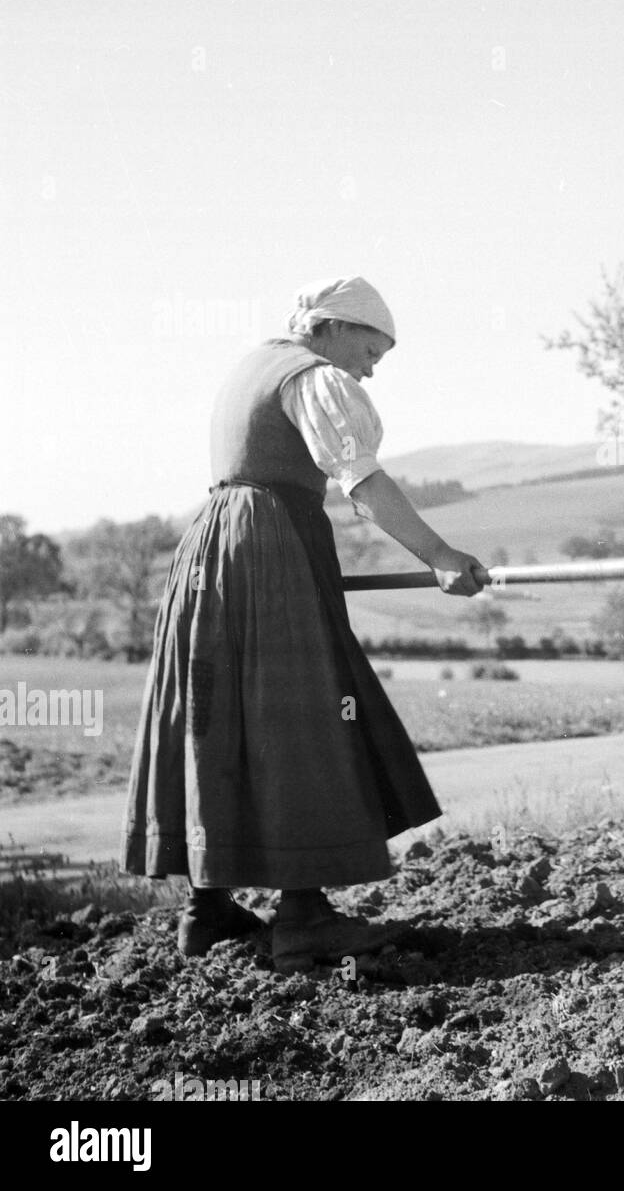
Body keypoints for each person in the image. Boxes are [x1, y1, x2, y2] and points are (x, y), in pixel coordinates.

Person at [121, 277, 487, 968]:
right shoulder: (313, 378)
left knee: (219, 718)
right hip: (269, 551)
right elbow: (364, 482)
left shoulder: (251, 366)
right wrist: (440, 556)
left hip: (212, 547)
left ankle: (206, 911)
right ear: (333, 328)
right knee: (301, 717)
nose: (372, 367)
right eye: (371, 349)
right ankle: (304, 917)